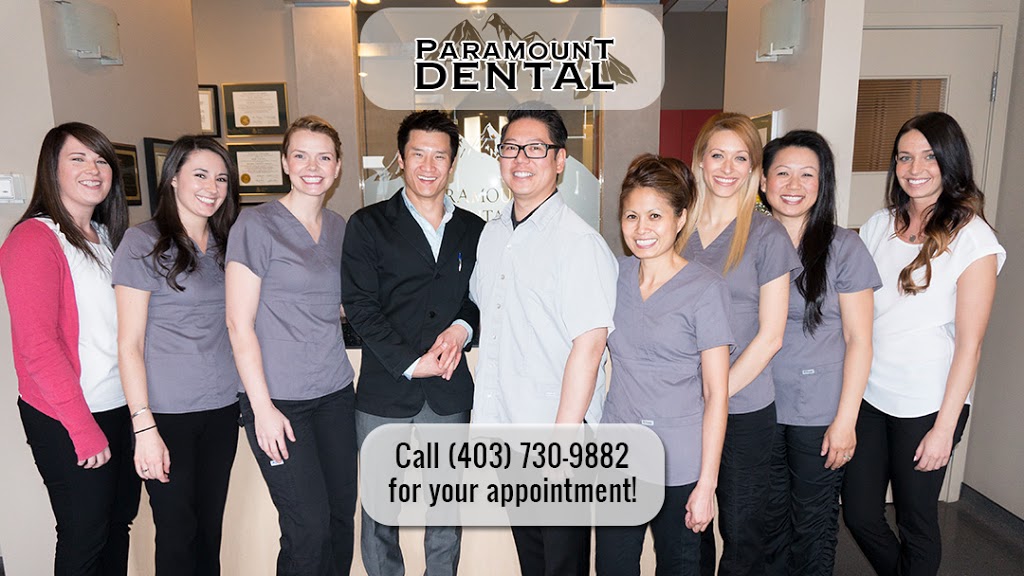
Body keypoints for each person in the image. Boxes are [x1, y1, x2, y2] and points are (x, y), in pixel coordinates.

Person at [841, 112, 1005, 576]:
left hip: (928, 404)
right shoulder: (878, 226)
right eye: (904, 157)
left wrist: (944, 429)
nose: (915, 168)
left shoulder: (973, 239)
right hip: (870, 395)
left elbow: (970, 346)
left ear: (950, 161)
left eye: (929, 157)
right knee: (860, 513)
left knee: (916, 520)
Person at [470, 102, 617, 576]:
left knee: (562, 564)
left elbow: (589, 348)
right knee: (532, 559)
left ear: (560, 161)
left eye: (535, 148)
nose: (520, 159)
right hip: (511, 429)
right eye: (510, 148)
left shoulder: (579, 243)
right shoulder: (493, 235)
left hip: (557, 433)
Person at [341, 110, 484, 576]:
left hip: (448, 390)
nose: (428, 165)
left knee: (446, 509)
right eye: (417, 154)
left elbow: (484, 299)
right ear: (400, 160)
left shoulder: (475, 229)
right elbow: (360, 306)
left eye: (439, 156)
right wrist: (410, 362)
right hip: (385, 391)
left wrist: (462, 328)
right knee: (381, 512)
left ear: (452, 163)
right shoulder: (368, 224)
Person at [0, 122, 139, 574]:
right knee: (85, 537)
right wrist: (82, 428)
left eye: (101, 161)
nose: (93, 170)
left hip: (119, 406)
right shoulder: (33, 239)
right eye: (77, 159)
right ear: (51, 169)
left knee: (118, 527)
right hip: (69, 415)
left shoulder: (106, 238)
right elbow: (38, 347)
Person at [225, 116, 357, 576]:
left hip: (335, 394)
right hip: (280, 401)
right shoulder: (256, 225)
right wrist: (261, 409)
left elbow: (339, 304)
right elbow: (238, 323)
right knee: (308, 529)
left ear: (338, 167)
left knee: (340, 520)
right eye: (301, 156)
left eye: (324, 157)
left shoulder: (339, 227)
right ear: (284, 162)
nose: (312, 167)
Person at [595, 154, 732, 576]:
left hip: (680, 460)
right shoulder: (612, 276)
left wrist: (707, 484)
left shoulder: (705, 288)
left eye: (655, 215)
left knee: (679, 567)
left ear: (680, 218)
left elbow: (716, 393)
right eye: (631, 216)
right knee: (614, 568)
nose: (641, 229)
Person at [111, 135, 241, 575]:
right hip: (167, 415)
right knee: (176, 534)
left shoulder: (227, 243)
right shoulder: (143, 242)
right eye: (200, 175)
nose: (212, 187)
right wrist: (143, 425)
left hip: (221, 408)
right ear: (173, 179)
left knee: (209, 532)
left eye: (221, 178)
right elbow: (129, 343)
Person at [683, 112, 800, 576]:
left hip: (744, 407)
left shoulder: (766, 235)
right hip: (682, 407)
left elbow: (771, 336)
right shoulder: (677, 227)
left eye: (740, 158)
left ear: (753, 168)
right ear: (700, 160)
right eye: (718, 155)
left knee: (741, 533)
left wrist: (716, 395)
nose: (727, 168)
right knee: (690, 528)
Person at [759, 131, 880, 576]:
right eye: (782, 173)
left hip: (820, 411)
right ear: (763, 181)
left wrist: (846, 421)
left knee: (812, 523)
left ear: (822, 182)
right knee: (767, 521)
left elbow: (859, 339)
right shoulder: (747, 243)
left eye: (807, 175)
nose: (794, 185)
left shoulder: (844, 247)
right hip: (759, 404)